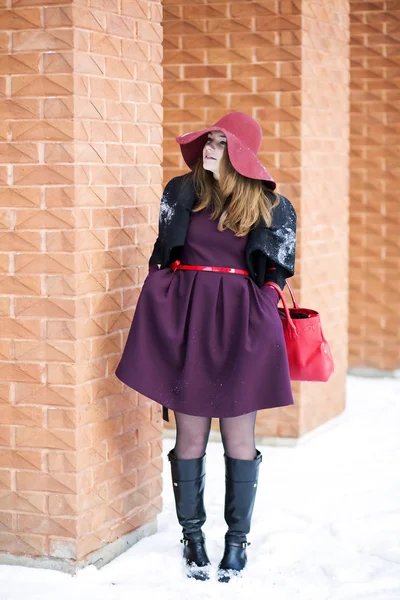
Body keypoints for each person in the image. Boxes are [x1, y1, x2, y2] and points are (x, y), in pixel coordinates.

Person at [115, 111, 297, 583]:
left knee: (240, 439)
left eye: (222, 143)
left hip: (242, 328)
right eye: (211, 140)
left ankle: (237, 542)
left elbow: (274, 276)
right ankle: (192, 537)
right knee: (189, 436)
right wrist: (163, 303)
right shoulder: (182, 191)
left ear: (243, 155)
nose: (211, 148)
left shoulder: (272, 207)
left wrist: (254, 314)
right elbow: (163, 257)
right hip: (189, 321)